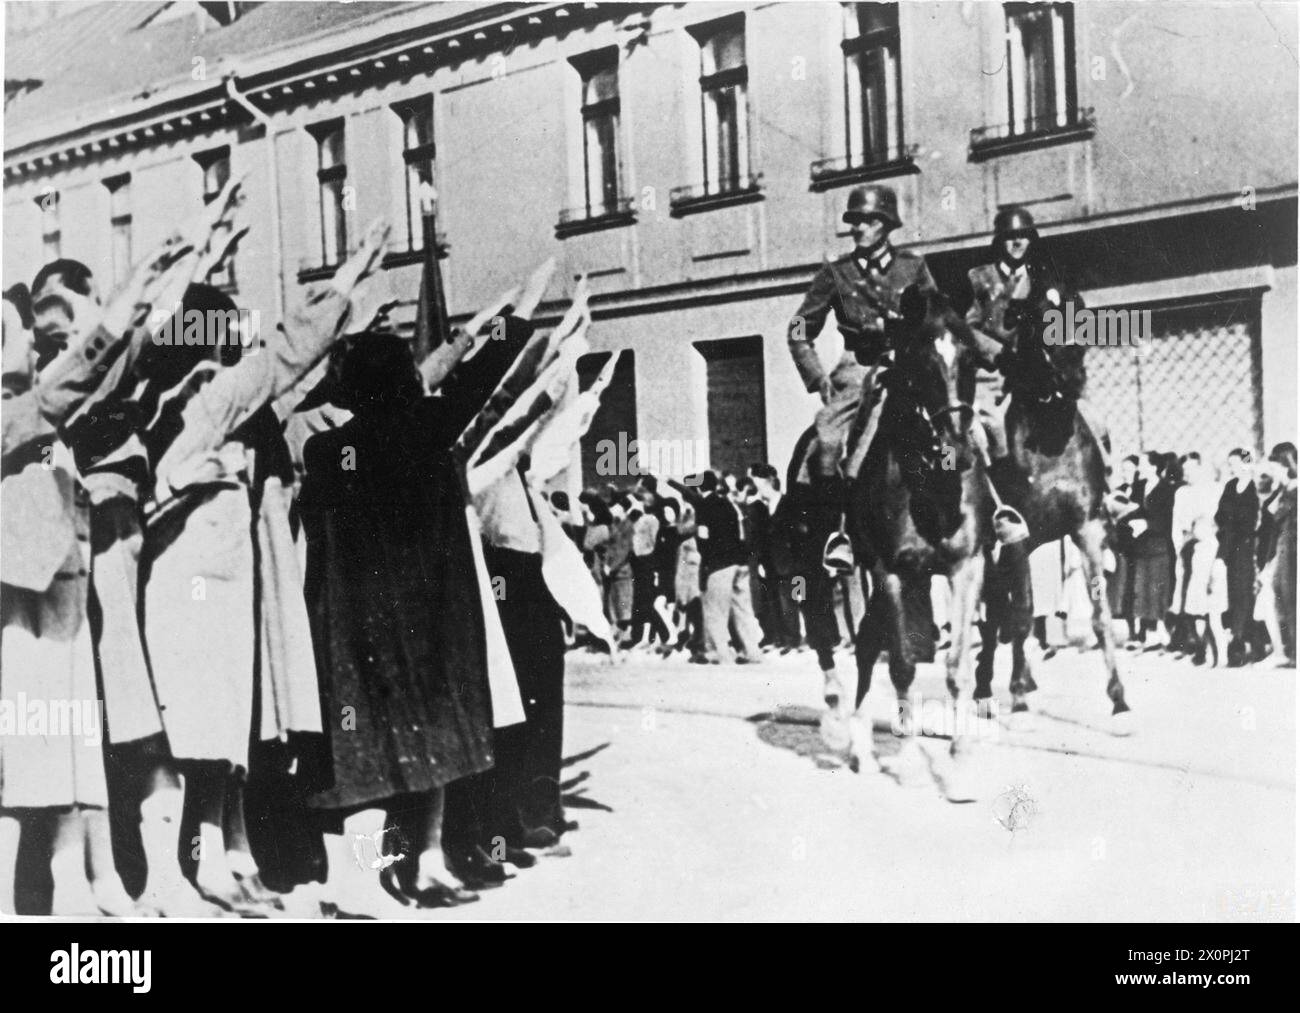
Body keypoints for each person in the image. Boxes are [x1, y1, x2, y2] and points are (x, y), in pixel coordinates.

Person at [787, 184, 948, 488]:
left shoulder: (913, 267)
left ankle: (988, 503)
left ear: (886, 226)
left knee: (957, 433)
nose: (859, 228)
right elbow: (798, 329)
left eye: (869, 221)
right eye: (854, 221)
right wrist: (817, 378)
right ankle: (832, 520)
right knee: (827, 438)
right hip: (857, 370)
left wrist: (901, 328)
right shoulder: (835, 272)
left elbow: (937, 319)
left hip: (909, 364)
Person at [694, 471, 764, 665]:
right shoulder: (728, 504)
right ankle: (753, 651)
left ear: (700, 487)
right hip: (739, 562)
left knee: (716, 611)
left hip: (718, 564)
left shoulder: (703, 506)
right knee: (743, 609)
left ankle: (721, 653)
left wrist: (706, 565)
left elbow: (703, 539)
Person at [1171, 452, 1224, 665]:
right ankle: (1197, 643)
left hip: (1214, 547)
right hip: (1191, 548)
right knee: (1192, 596)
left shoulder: (1215, 490)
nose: (1188, 474)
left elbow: (1217, 520)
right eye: (1185, 471)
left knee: (1214, 598)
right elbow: (1180, 524)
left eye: (1193, 469)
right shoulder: (1182, 493)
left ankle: (1218, 646)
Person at [1215, 448, 1260, 666]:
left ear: (1247, 463)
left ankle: (1241, 643)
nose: (1231, 467)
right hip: (1231, 548)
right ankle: (1238, 640)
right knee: (1234, 595)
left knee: (1246, 594)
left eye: (1234, 463)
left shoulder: (1256, 487)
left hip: (1250, 547)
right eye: (1229, 463)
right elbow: (1221, 517)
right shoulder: (1230, 486)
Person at [1129, 452, 1177, 650]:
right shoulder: (1138, 487)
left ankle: (1160, 631)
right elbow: (1133, 509)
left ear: (1154, 467)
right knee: (1142, 589)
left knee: (1158, 589)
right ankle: (1148, 633)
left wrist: (1147, 524)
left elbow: (1168, 520)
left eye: (1141, 464)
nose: (1139, 468)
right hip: (1141, 547)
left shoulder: (1166, 489)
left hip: (1158, 545)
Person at [1268, 442, 1297, 666]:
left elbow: (1276, 515)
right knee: (1284, 596)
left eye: (1276, 465)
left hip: (1292, 546)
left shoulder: (1294, 488)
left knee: (1291, 597)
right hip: (1284, 545)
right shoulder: (1285, 488)